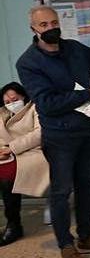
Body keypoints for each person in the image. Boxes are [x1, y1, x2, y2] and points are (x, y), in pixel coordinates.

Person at [16, 5, 90, 258]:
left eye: (53, 22)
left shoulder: (73, 48)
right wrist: (87, 94)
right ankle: (66, 244)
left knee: (86, 184)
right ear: (34, 30)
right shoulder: (28, 62)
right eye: (44, 25)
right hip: (59, 135)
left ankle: (88, 236)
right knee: (61, 190)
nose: (51, 28)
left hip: (86, 129)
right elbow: (47, 104)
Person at [0, 82, 50, 246]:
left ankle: (14, 225)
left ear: (23, 96)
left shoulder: (35, 109)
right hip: (7, 154)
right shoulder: (1, 113)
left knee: (7, 176)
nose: (11, 104)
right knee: (5, 170)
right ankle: (10, 223)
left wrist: (11, 148)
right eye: (7, 102)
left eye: (14, 99)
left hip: (32, 152)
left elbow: (39, 134)